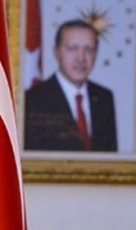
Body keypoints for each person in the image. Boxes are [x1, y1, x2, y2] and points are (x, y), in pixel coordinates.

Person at [24, 19, 117, 152]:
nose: (81, 58)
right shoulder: (33, 100)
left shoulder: (104, 98)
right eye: (73, 48)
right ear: (56, 52)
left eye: (88, 49)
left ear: (96, 54)